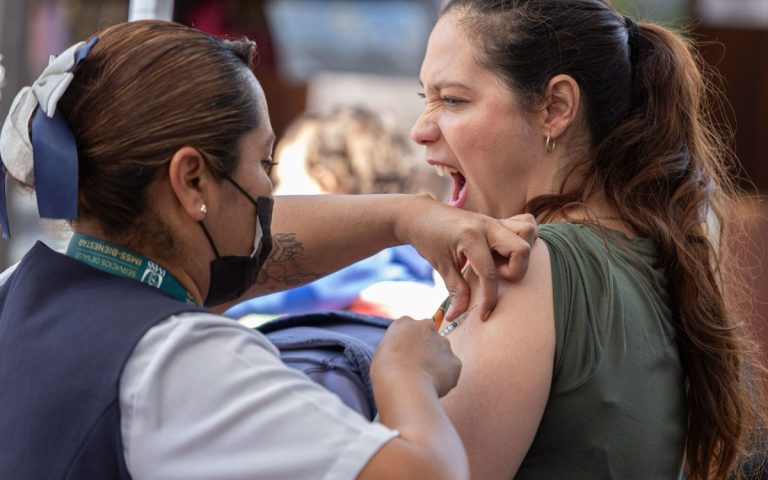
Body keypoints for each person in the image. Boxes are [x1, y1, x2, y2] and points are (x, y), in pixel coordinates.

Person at [0, 21, 538, 479]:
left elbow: (243, 260)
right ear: (192, 181)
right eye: (264, 164)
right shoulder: (180, 362)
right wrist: (406, 376)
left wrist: (407, 216)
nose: (269, 192)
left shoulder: (22, 289)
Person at [411, 1, 768, 478]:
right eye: (425, 99)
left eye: (452, 100)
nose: (420, 130)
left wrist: (399, 377)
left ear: (556, 107)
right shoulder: (663, 257)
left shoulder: (526, 265)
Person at [226, 105, 449, 321]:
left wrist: (217, 298)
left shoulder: (368, 258)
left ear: (330, 183)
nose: (274, 195)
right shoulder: (395, 256)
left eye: (284, 181)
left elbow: (287, 290)